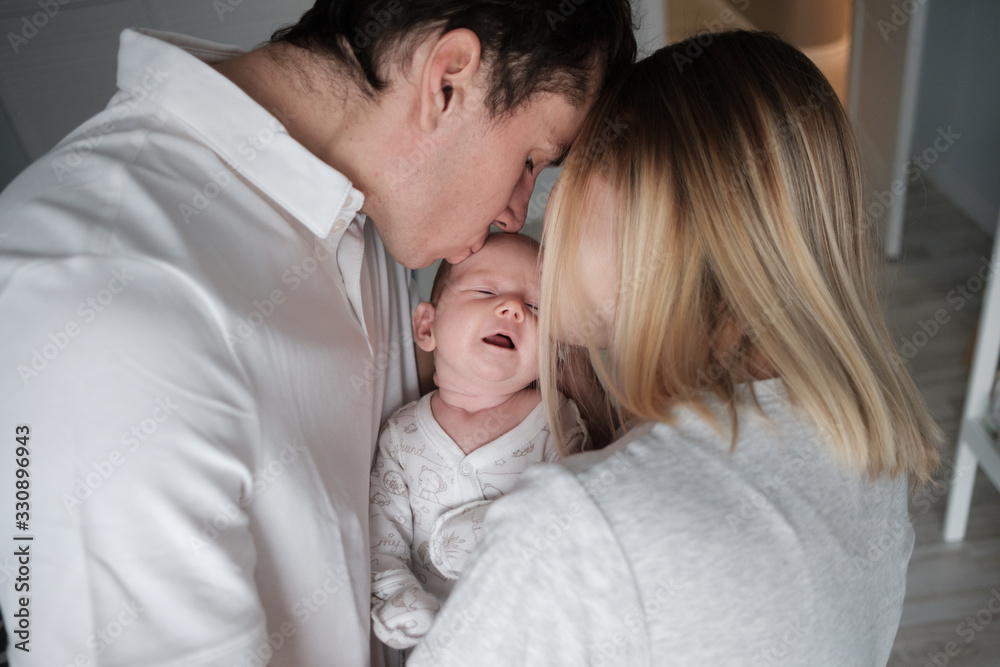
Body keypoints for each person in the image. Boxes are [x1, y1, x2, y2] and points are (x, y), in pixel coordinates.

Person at [0, 1, 635, 664]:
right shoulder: (96, 302)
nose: (514, 213)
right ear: (447, 81)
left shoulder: (367, 211)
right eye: (531, 159)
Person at [410, 31, 941, 666]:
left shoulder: (577, 532)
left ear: (654, 212)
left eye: (562, 175)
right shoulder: (863, 447)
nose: (530, 216)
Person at [368, 233, 588, 653]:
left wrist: (491, 526)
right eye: (486, 290)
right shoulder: (401, 435)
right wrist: (397, 594)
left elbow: (572, 520)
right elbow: (383, 534)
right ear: (427, 326)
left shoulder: (555, 421)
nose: (514, 309)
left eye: (537, 306)